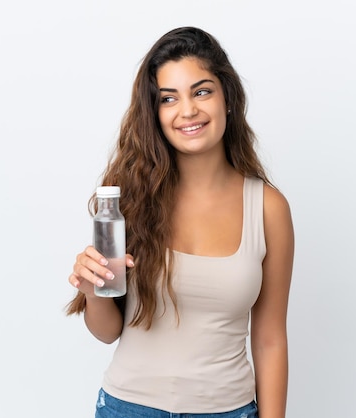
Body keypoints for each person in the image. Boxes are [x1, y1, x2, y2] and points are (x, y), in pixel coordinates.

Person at [66, 26, 294, 418]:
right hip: (127, 408)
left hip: (227, 411)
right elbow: (107, 332)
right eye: (168, 98)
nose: (187, 111)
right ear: (154, 112)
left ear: (228, 97)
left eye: (201, 91)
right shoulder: (129, 198)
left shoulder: (268, 208)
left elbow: (270, 339)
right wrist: (92, 289)